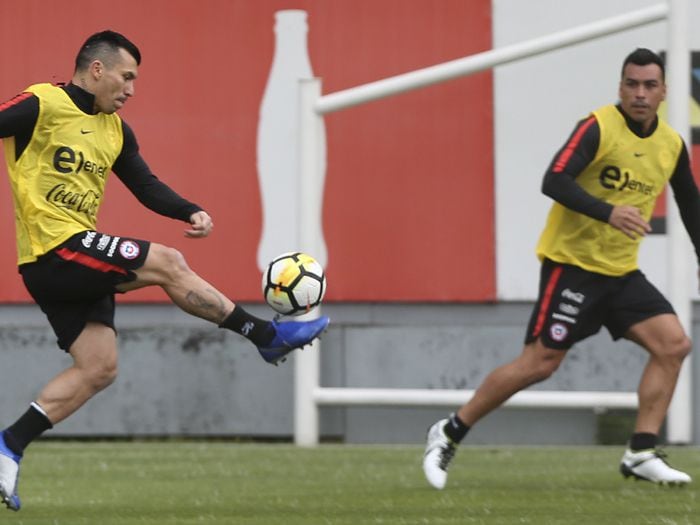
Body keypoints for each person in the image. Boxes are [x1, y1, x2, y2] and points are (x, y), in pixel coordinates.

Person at [0, 30, 329, 512]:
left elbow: (145, 184)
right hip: (54, 251)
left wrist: (189, 210)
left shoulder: (116, 131)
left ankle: (9, 445)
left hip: (75, 259)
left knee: (99, 368)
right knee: (168, 262)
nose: (131, 88)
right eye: (126, 76)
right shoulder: (41, 104)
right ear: (97, 70)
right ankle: (264, 335)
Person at [423, 48, 698, 489]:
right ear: (621, 88)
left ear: (664, 91)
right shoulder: (598, 126)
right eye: (632, 84)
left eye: (650, 85)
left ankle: (641, 451)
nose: (640, 94)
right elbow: (554, 180)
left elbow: (691, 205)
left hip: (621, 273)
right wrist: (609, 212)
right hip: (572, 267)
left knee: (674, 345)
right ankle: (449, 432)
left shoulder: (670, 144)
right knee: (540, 362)